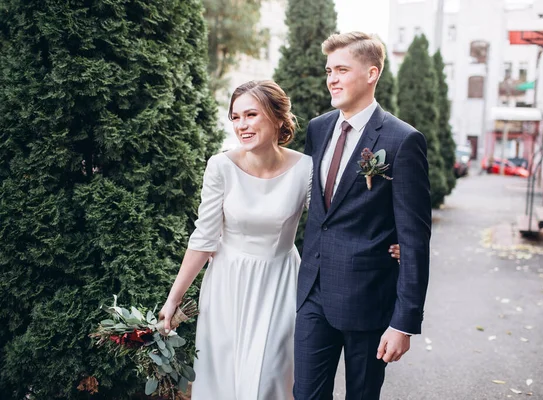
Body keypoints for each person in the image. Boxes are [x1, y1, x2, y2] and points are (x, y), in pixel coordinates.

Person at [158, 80, 401, 399]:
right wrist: (173, 299)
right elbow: (204, 238)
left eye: (251, 115)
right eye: (235, 117)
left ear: (276, 118)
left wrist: (390, 240)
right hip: (225, 288)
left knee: (268, 381)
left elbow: (334, 221)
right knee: (221, 383)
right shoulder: (220, 167)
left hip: (280, 285)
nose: (241, 125)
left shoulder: (305, 168)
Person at [293, 32, 431, 400]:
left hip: (369, 300)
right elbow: (319, 210)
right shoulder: (318, 129)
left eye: (341, 69)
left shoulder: (403, 140)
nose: (332, 79)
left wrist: (404, 322)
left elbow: (415, 239)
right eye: (328, 71)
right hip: (313, 293)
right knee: (305, 394)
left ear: (372, 73)